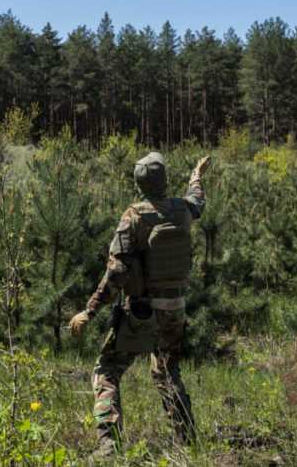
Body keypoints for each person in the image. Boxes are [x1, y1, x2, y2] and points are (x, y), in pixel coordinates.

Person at [69, 152, 211, 458]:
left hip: (142, 313)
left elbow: (116, 272)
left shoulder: (133, 216)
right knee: (167, 372)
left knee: (106, 371)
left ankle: (109, 448)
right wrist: (196, 175)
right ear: (164, 180)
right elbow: (197, 199)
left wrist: (88, 311)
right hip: (175, 309)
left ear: (138, 183)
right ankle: (188, 444)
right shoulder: (183, 210)